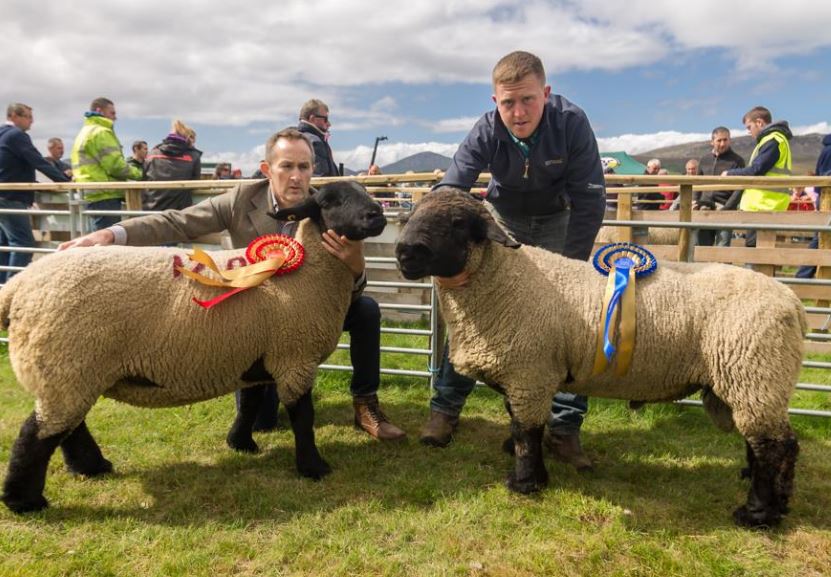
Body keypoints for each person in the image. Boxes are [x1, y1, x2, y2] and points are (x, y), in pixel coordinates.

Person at [58, 127, 406, 441]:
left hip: (309, 316)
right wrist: (111, 233)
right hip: (251, 324)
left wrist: (355, 267)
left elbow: (343, 294)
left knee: (366, 309)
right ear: (268, 169)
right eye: (287, 166)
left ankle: (365, 404)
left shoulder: (330, 208)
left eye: (304, 167)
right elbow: (177, 221)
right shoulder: (242, 199)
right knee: (263, 423)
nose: (296, 177)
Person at [420, 51, 605, 471]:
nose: (518, 113)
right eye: (507, 103)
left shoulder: (572, 123)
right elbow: (453, 187)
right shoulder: (486, 131)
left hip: (559, 220)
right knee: (475, 315)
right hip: (504, 220)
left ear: (546, 93)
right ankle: (445, 410)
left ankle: (564, 428)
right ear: (494, 101)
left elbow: (591, 198)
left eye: (527, 100)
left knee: (571, 318)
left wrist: (572, 269)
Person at [0, 103, 71, 282]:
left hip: (4, 194)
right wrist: (65, 181)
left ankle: (3, 287)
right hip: (11, 197)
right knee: (23, 243)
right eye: (28, 117)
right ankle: (12, 291)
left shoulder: (2, 134)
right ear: (15, 116)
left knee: (5, 244)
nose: (32, 122)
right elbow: (37, 161)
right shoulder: (17, 135)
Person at [722, 106, 793, 248]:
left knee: (756, 250)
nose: (748, 132)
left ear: (759, 123)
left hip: (764, 204)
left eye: (749, 127)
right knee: (759, 250)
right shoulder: (771, 140)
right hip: (765, 204)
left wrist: (729, 174)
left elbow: (756, 170)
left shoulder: (773, 140)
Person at [70, 97, 143, 230]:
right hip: (105, 194)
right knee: (106, 242)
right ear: (99, 111)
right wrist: (140, 174)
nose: (115, 117)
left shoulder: (84, 132)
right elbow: (116, 166)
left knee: (97, 239)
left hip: (90, 193)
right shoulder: (102, 132)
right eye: (112, 113)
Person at [694, 127, 745, 247]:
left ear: (730, 140)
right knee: (703, 246)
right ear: (712, 142)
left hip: (725, 206)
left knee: (723, 247)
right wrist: (695, 201)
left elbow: (740, 187)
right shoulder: (704, 159)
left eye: (726, 140)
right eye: (719, 140)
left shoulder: (737, 161)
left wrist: (728, 207)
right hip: (704, 207)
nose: (723, 143)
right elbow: (697, 182)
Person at [143, 120, 202, 211]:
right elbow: (195, 183)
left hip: (152, 210)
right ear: (187, 138)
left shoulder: (152, 153)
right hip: (179, 212)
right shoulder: (193, 156)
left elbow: (144, 179)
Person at [795, 135, 831, 279]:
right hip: (827, 199)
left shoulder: (826, 150)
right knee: (821, 239)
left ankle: (802, 277)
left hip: (824, 198)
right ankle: (802, 278)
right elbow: (827, 176)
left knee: (820, 239)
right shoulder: (829, 151)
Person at [297, 99, 339, 177]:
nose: (329, 124)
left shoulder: (295, 138)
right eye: (325, 119)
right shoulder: (315, 143)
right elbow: (321, 179)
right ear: (312, 119)